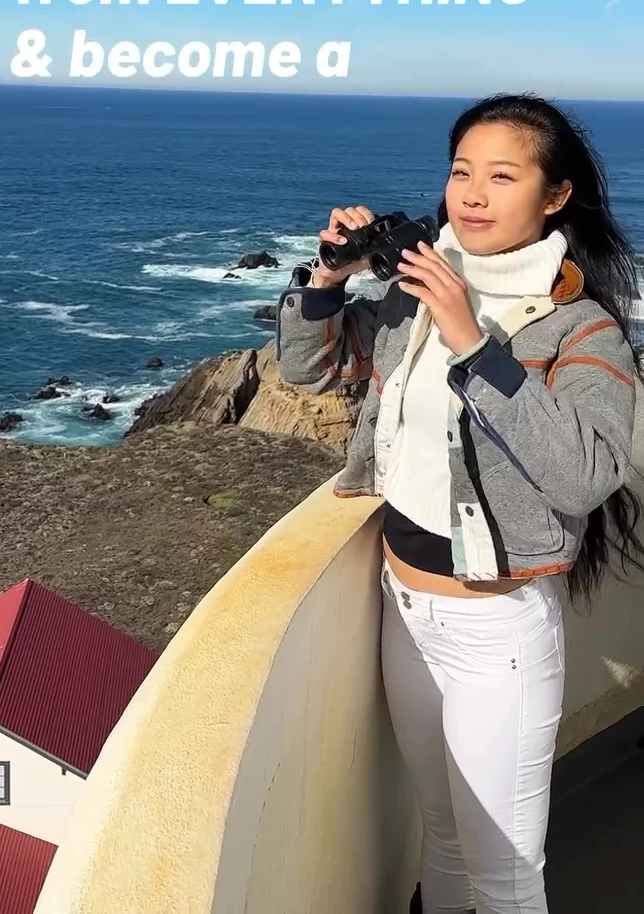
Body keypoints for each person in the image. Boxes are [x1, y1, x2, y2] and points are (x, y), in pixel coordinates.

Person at [275, 94, 643, 914]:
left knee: (507, 877)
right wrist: (327, 280)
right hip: (402, 608)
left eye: (502, 175)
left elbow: (586, 473)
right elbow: (314, 370)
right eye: (461, 172)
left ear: (555, 197)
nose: (471, 194)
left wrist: (475, 341)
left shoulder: (580, 331)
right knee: (439, 836)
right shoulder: (420, 291)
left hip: (495, 630)